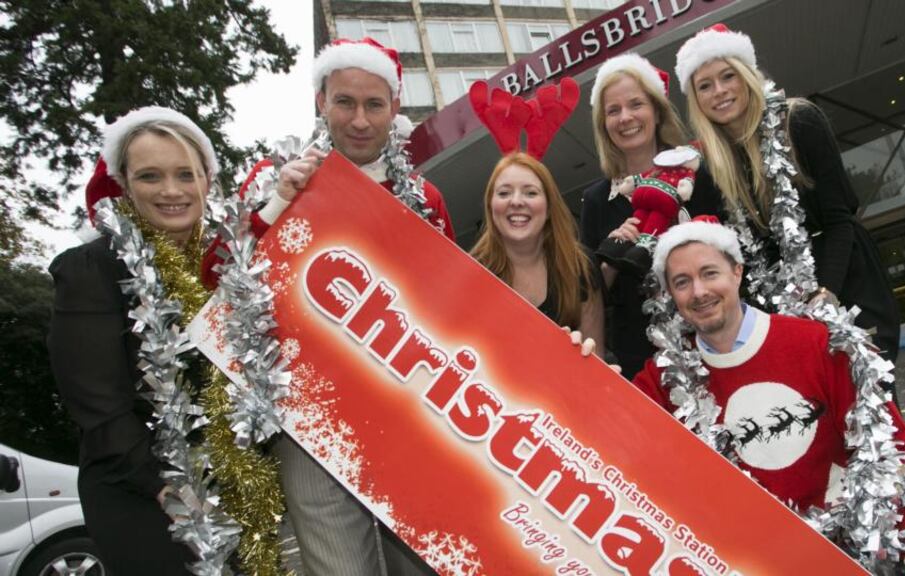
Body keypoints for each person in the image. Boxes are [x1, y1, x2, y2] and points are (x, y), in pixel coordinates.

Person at [201, 37, 455, 576]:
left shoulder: (423, 197)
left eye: (374, 105)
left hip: (408, 412)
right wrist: (276, 205)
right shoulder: (279, 179)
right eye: (345, 102)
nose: (360, 120)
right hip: (312, 414)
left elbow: (456, 303)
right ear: (321, 101)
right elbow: (217, 274)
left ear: (394, 110)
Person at [630, 217, 905, 576]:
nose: (698, 292)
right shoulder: (665, 379)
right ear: (671, 296)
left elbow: (895, 450)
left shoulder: (817, 342)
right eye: (682, 282)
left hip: (856, 553)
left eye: (710, 273)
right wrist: (570, 358)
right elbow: (608, 426)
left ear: (737, 273)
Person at [48, 107, 218, 574]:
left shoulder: (226, 268)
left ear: (207, 179)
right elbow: (96, 402)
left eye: (186, 174)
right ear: (123, 182)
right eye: (150, 176)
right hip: (140, 494)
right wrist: (166, 489)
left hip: (225, 483)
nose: (171, 190)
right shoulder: (92, 268)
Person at [675, 24, 900, 373]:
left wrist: (825, 295)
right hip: (778, 309)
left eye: (727, 76)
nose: (719, 91)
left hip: (846, 282)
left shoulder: (799, 121)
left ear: (746, 75)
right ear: (697, 100)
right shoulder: (709, 171)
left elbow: (841, 219)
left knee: (873, 410)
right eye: (705, 85)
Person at [582, 53, 720, 379]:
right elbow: (589, 296)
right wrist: (612, 256)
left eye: (635, 104)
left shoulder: (697, 173)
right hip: (642, 364)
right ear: (604, 124)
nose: (625, 117)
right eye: (613, 111)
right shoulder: (597, 199)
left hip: (714, 342)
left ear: (656, 111)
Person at [471, 152, 604, 353]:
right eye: (504, 193)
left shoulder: (580, 266)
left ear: (549, 207)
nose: (516, 201)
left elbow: (597, 360)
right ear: (491, 207)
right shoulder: (471, 275)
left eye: (530, 193)